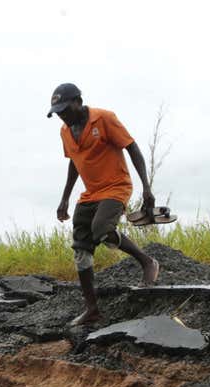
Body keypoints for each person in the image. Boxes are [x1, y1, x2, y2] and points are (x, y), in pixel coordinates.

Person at [48, 83, 160, 326]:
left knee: (102, 230)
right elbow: (73, 162)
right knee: (80, 248)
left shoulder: (104, 118)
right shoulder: (65, 132)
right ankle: (92, 310)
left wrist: (146, 187)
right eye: (58, 113)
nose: (62, 116)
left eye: (65, 110)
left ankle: (147, 262)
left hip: (116, 186)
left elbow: (132, 147)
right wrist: (65, 197)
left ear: (78, 101)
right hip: (90, 194)